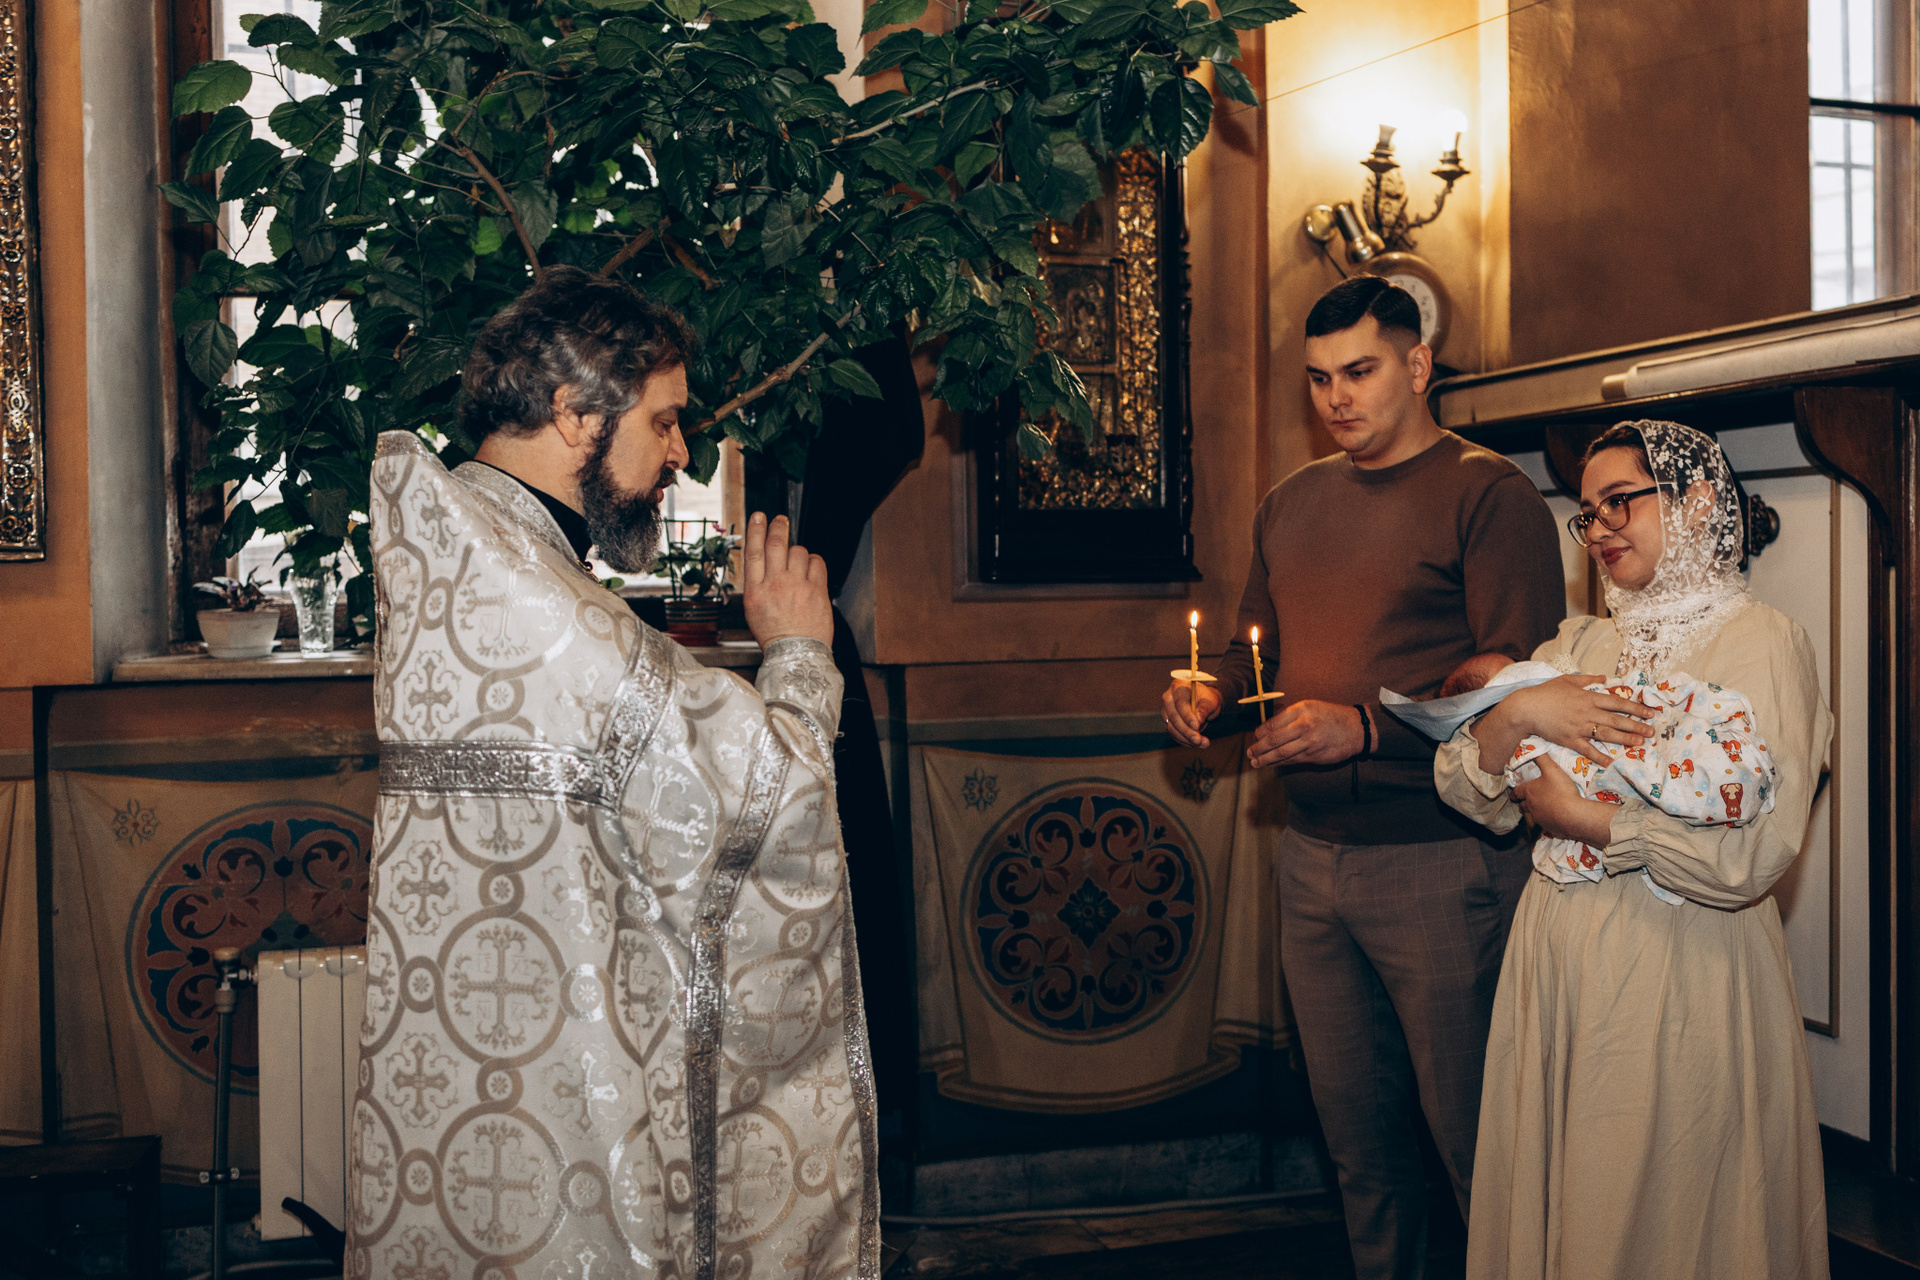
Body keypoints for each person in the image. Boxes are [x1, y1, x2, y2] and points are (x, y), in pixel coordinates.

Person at [348, 267, 878, 1280]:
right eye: (665, 420)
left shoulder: (466, 557)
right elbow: (767, 798)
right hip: (563, 1102)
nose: (681, 453)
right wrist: (801, 652)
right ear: (574, 411)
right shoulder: (548, 609)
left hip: (481, 1079)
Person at [1163, 275, 1565, 1280]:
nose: (1336, 397)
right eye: (1318, 378)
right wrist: (1211, 696)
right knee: (1359, 1151)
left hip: (1444, 862)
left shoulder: (1489, 494)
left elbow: (1520, 700)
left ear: (1418, 365)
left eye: (1360, 370)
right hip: (1309, 860)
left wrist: (1368, 729)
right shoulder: (1291, 503)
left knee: (1480, 1147)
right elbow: (1254, 658)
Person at [1434, 420, 1831, 1280]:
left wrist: (1588, 822)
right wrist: (1520, 712)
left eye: (1621, 501)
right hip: (1556, 962)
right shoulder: (1579, 643)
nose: (1600, 528)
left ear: (1695, 501)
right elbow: (1469, 788)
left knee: (1662, 1213)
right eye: (1588, 513)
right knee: (1566, 1204)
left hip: (1682, 967)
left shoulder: (1763, 640)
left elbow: (1752, 857)